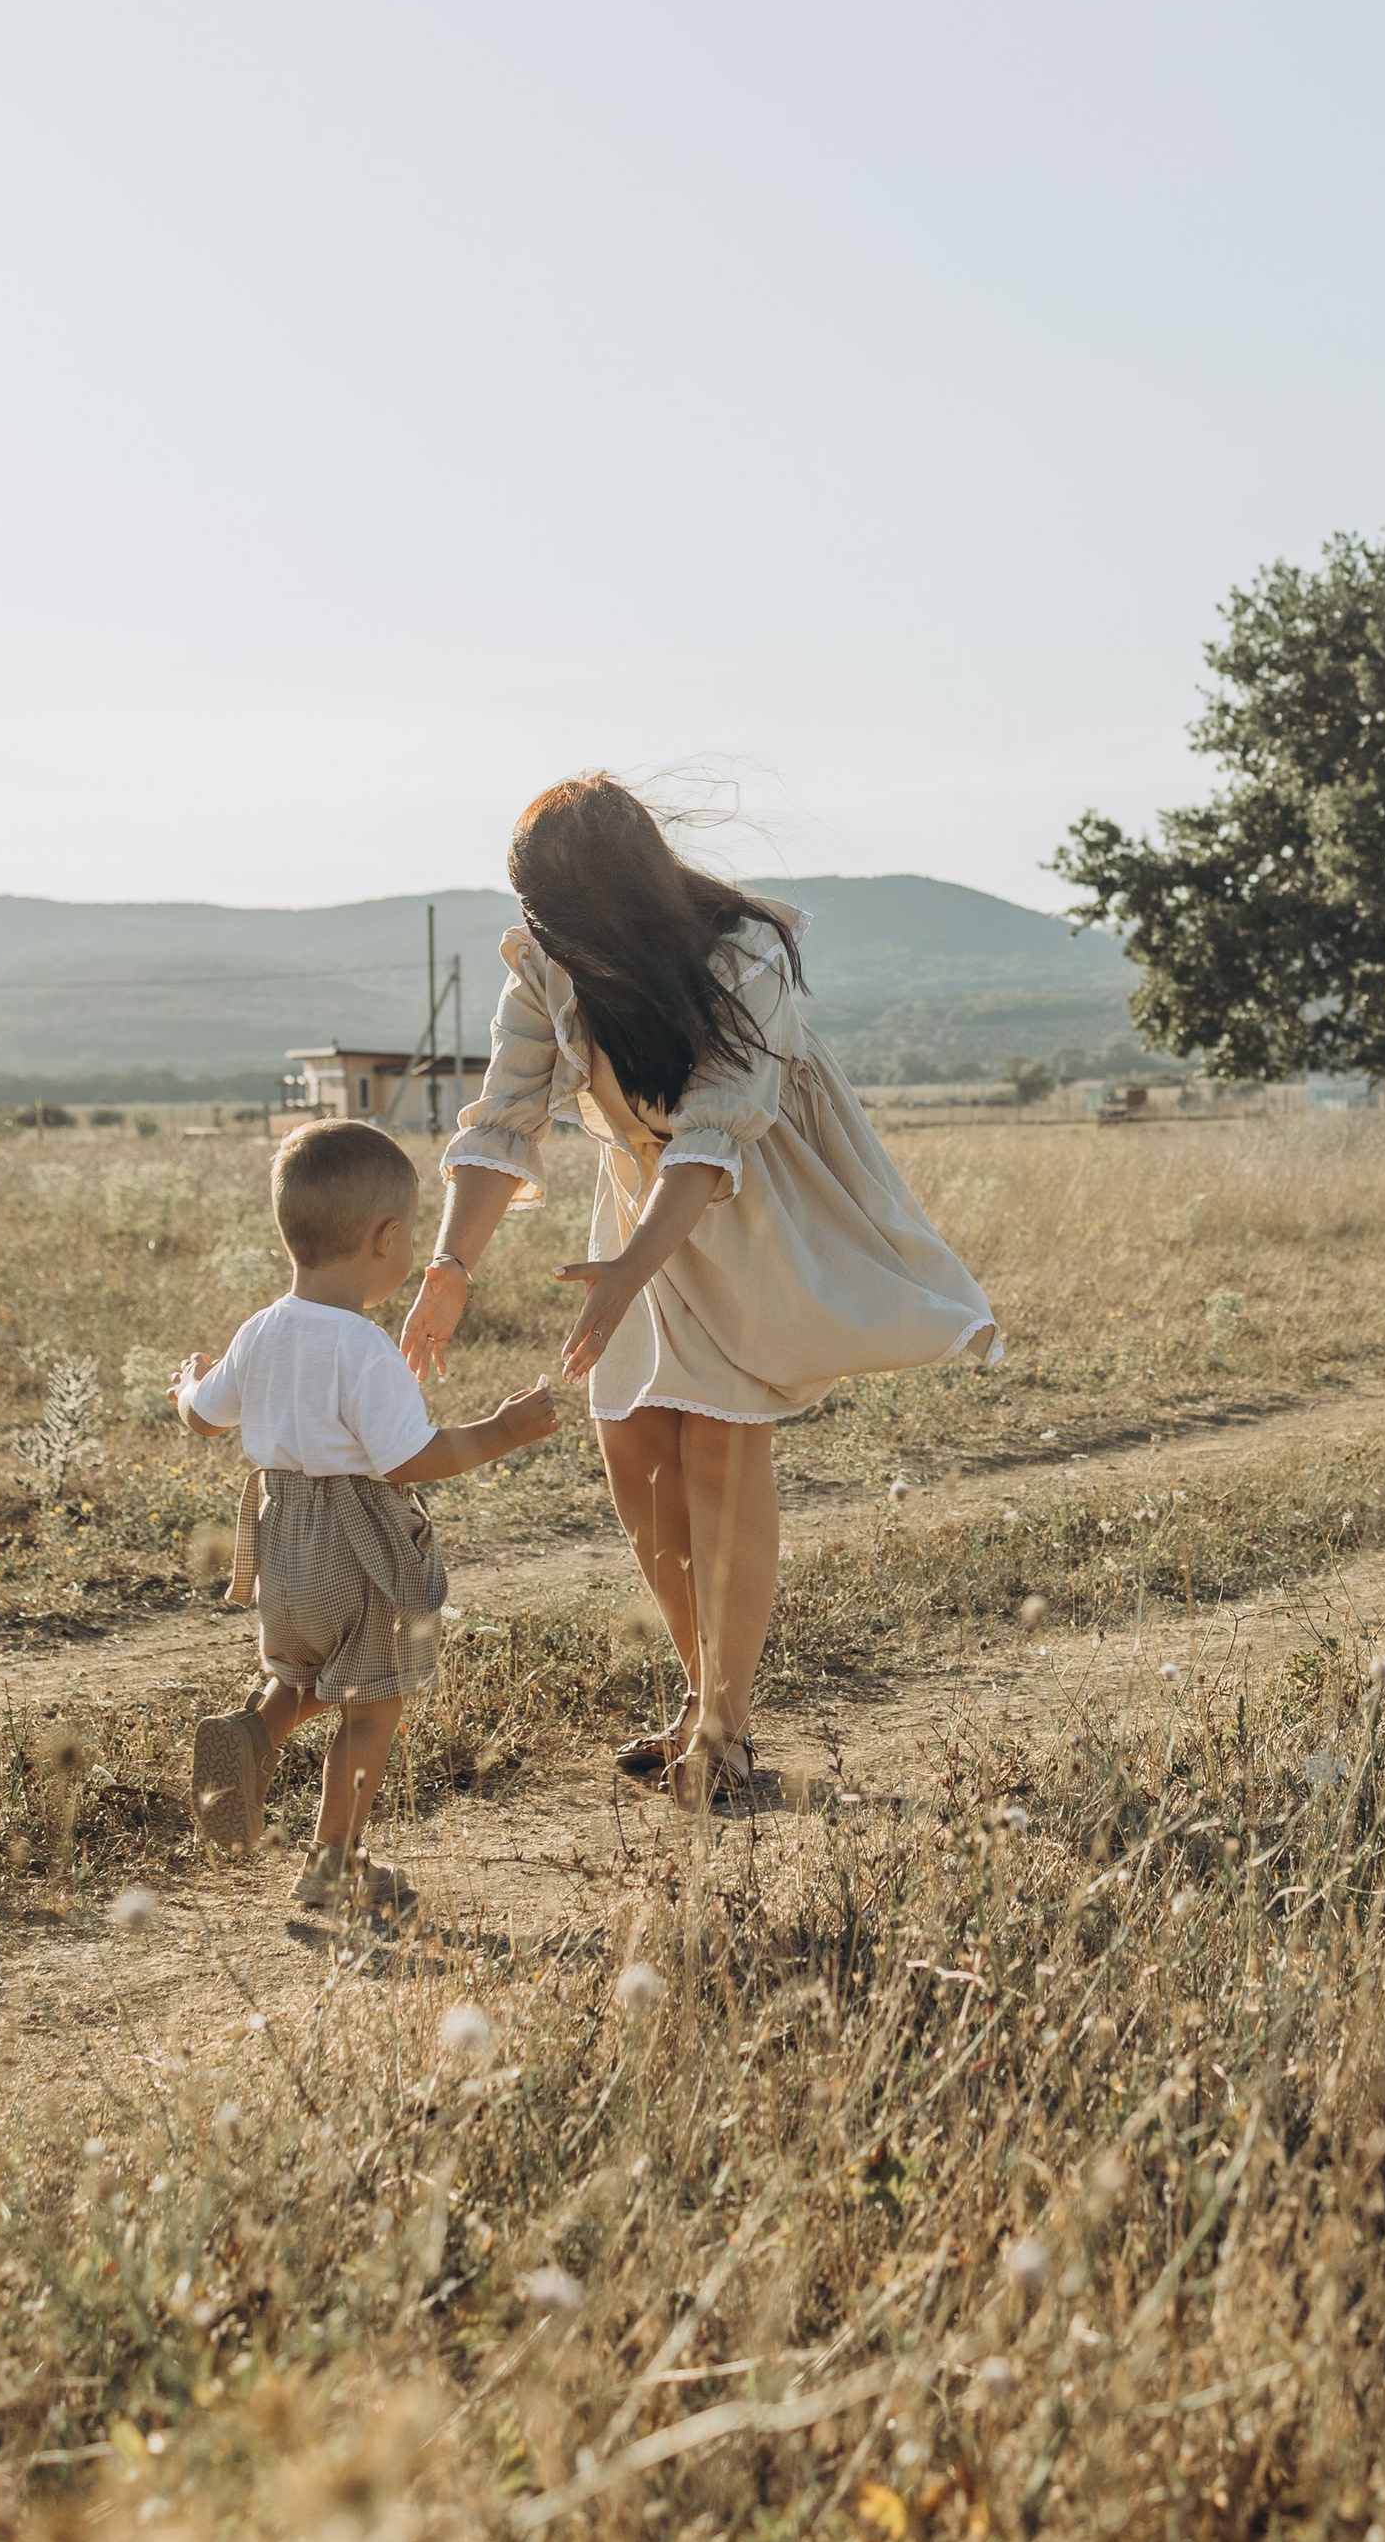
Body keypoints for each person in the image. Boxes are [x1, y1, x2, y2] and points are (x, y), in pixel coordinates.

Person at [401, 773, 997, 1814]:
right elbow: (502, 1121)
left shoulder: (743, 948)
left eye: (568, 919)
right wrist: (448, 1270)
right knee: (631, 1440)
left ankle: (721, 1729)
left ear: (623, 905)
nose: (550, 936)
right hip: (641, 1200)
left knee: (719, 1438)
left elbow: (720, 1126)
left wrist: (634, 1272)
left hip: (753, 1202)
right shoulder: (542, 957)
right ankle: (709, 1698)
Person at [176, 1119, 559, 1915]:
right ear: (387, 1240)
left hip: (283, 1542)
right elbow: (409, 1459)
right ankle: (332, 1863)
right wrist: (503, 1431)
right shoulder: (364, 1346)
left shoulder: (261, 1329)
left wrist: (186, 1385)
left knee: (307, 1672)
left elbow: (204, 1418)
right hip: (362, 1545)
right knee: (370, 1708)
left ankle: (252, 1736)